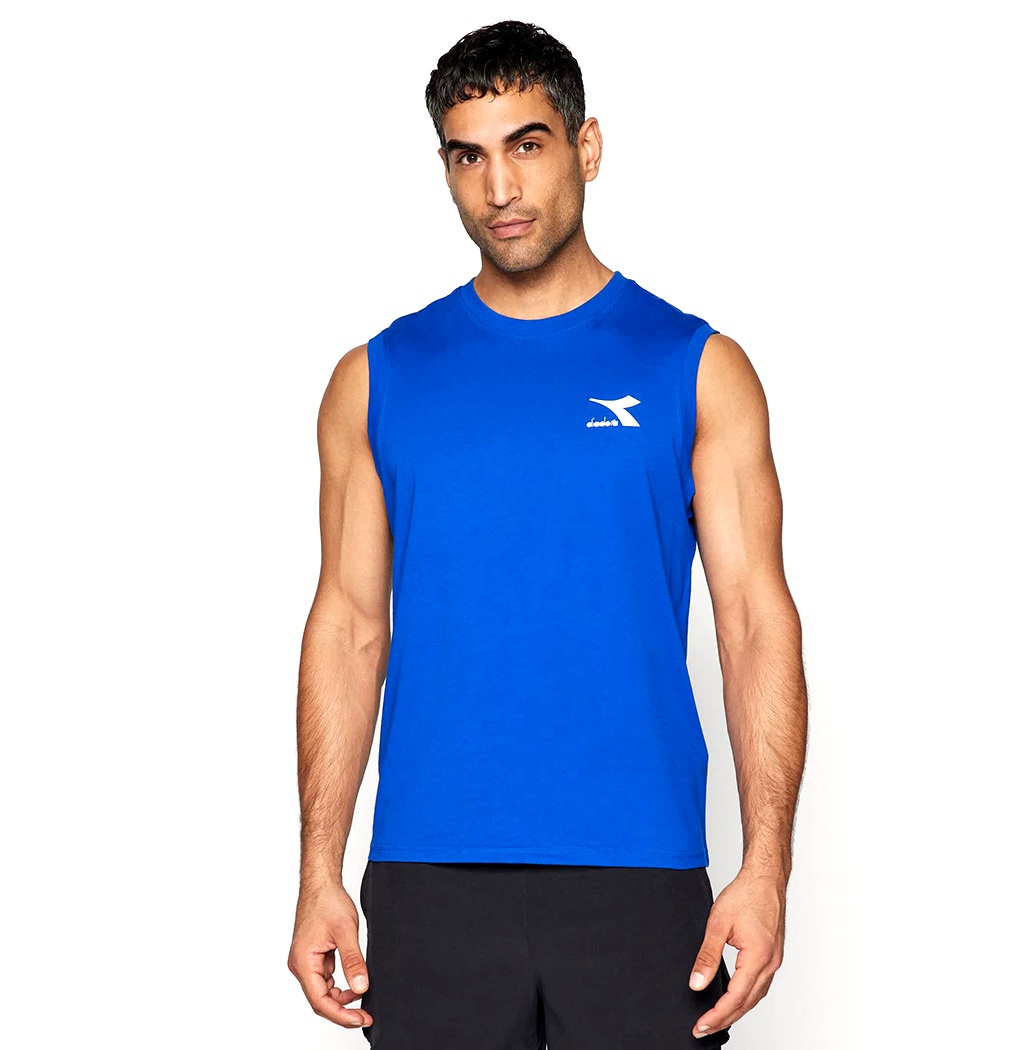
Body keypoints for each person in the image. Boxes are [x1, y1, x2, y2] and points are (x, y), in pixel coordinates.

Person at [287, 19, 807, 1048]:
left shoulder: (696, 368)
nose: (500, 188)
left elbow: (754, 621)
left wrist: (766, 868)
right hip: (429, 878)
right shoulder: (378, 378)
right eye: (467, 157)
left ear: (587, 147)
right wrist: (317, 871)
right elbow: (347, 626)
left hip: (641, 875)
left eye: (527, 145)